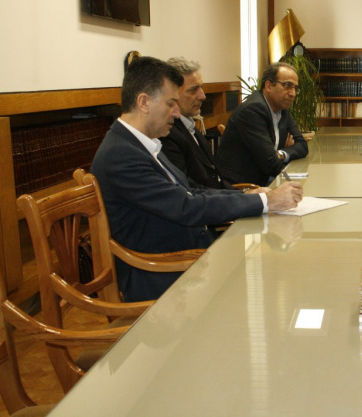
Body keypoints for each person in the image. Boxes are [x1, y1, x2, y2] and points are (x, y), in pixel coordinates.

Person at [91, 56, 303, 301]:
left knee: (273, 270)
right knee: (266, 280)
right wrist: (266, 203)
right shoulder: (122, 155)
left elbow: (190, 190)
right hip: (165, 273)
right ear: (144, 102)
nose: (176, 111)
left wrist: (249, 196)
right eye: (171, 103)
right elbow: (186, 206)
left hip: (190, 254)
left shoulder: (142, 144)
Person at [217, 62, 309, 186]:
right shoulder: (253, 110)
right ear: (268, 86)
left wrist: (281, 154)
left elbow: (302, 145)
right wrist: (291, 177)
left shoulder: (282, 109)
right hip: (244, 187)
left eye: (295, 88)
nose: (292, 93)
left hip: (267, 178)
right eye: (287, 85)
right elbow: (270, 164)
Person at [160, 57, 242, 190]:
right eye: (193, 90)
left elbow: (215, 180)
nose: (203, 96)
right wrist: (246, 199)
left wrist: (247, 196)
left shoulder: (190, 125)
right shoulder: (167, 133)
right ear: (172, 93)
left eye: (201, 88)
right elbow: (189, 190)